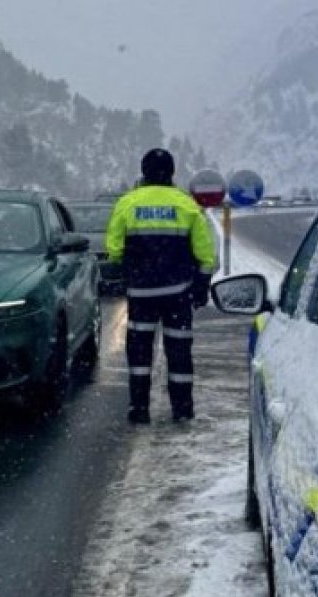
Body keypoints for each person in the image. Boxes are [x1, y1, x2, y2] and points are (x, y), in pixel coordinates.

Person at [106, 148, 216, 424]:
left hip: (141, 294)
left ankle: (139, 409)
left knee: (140, 353)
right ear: (172, 172)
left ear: (144, 172)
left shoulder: (127, 203)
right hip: (178, 294)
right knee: (179, 353)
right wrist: (201, 285)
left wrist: (125, 272)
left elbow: (114, 250)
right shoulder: (186, 205)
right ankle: (182, 410)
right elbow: (206, 255)